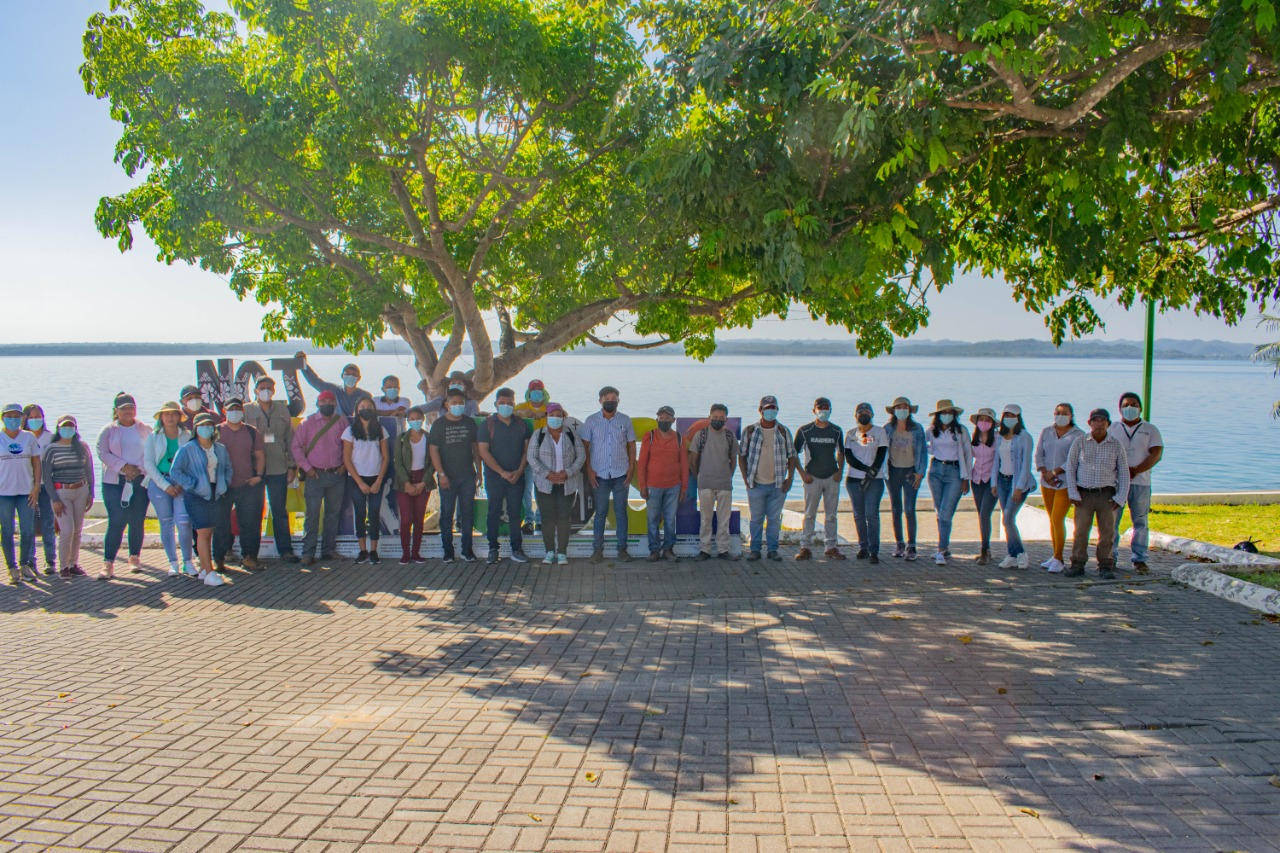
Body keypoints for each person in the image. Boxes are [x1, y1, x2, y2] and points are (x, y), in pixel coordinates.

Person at [1064, 408, 1130, 579]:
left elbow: (1124, 473)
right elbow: (1070, 469)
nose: (1099, 424)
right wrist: (1073, 492)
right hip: (1084, 495)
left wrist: (1120, 497)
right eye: (1096, 420)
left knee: (1107, 533)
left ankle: (1105, 565)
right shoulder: (1080, 442)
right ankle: (1077, 564)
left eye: (1103, 421)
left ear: (1108, 424)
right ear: (1089, 423)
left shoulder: (1116, 444)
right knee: (1080, 532)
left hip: (1107, 495)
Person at [169, 412, 232, 586]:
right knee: (203, 532)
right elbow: (176, 471)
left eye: (209, 425)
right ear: (196, 428)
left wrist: (224, 484)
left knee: (209, 531)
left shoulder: (219, 448)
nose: (207, 429)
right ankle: (210, 572)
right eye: (202, 426)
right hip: (196, 495)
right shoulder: (188, 449)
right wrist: (192, 484)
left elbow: (227, 468)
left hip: (215, 492)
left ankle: (204, 569)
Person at [96, 392, 152, 579]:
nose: (128, 411)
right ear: (116, 411)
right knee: (117, 521)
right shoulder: (108, 431)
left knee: (137, 520)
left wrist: (138, 468)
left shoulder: (145, 429)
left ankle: (134, 557)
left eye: (131, 407)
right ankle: (108, 563)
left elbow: (152, 452)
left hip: (139, 479)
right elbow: (102, 453)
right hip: (114, 482)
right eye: (123, 408)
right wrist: (123, 467)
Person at [244, 376, 299, 563]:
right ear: (256, 390)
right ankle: (251, 553)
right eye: (261, 388)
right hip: (254, 469)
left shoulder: (283, 409)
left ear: (274, 390)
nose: (265, 390)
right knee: (254, 511)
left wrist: (292, 466)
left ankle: (286, 550)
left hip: (278, 467)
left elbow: (291, 439)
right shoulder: (246, 410)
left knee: (279, 511)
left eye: (269, 387)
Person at [581, 386, 637, 563]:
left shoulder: (625, 420)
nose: (610, 401)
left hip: (621, 473)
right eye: (607, 399)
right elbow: (585, 447)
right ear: (600, 401)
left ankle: (622, 550)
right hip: (599, 475)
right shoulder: (591, 421)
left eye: (614, 398)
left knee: (621, 512)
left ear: (618, 401)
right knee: (600, 514)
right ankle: (597, 551)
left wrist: (631, 469)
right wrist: (589, 470)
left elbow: (632, 445)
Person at [291, 390, 348, 565]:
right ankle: (308, 553)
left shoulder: (342, 422)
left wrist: (345, 466)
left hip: (337, 475)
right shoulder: (307, 423)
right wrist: (308, 469)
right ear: (317, 404)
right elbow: (296, 447)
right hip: (315, 475)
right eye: (323, 402)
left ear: (335, 404)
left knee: (333, 514)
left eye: (330, 401)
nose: (327, 404)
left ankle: (328, 550)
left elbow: (349, 446)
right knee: (312, 515)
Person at [1110, 392, 1164, 572]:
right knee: (1112, 521)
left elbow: (1156, 453)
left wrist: (1137, 469)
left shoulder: (1150, 429)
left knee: (1140, 521)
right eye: (1126, 405)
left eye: (1134, 405)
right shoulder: (1113, 428)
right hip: (1116, 482)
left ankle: (1139, 559)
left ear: (1140, 408)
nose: (1130, 408)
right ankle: (1110, 557)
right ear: (1120, 408)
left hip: (1141, 482)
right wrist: (1121, 471)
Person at [738, 395, 796, 561]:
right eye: (767, 408)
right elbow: (741, 456)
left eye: (773, 408)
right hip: (755, 484)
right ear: (760, 410)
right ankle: (755, 549)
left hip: (778, 484)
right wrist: (745, 478)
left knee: (774, 520)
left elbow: (792, 456)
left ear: (777, 409)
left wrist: (790, 478)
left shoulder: (784, 431)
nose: (770, 411)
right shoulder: (750, 431)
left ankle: (772, 550)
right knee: (756, 519)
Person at [212, 397, 266, 573]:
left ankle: (249, 557)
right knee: (221, 523)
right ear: (224, 411)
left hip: (247, 484)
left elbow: (259, 455)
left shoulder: (252, 432)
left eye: (238, 408)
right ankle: (219, 559)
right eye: (231, 409)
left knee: (250, 523)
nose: (235, 412)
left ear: (243, 411)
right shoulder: (216, 431)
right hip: (222, 486)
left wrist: (258, 476)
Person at [479, 388, 532, 564]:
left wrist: (519, 471)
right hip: (495, 478)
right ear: (495, 404)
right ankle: (493, 549)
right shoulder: (487, 424)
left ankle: (516, 549)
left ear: (514, 404)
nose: (506, 406)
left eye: (509, 403)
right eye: (502, 403)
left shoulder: (521, 424)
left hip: (517, 477)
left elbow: (527, 450)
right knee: (493, 512)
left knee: (515, 513)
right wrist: (502, 472)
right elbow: (483, 452)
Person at [527, 403, 584, 565]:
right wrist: (548, 475)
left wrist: (568, 473)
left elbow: (581, 457)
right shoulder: (538, 435)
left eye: (559, 415)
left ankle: (562, 553)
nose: (555, 418)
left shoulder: (571, 435)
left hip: (567, 484)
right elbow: (532, 458)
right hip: (545, 484)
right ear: (546, 417)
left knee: (564, 518)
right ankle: (549, 551)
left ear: (563, 418)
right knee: (547, 518)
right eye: (552, 415)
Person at [143, 400, 195, 577]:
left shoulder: (187, 436)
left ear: (179, 417)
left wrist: (181, 483)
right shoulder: (153, 436)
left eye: (174, 413)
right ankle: (173, 562)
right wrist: (165, 486)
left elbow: (192, 462)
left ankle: (188, 561)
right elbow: (149, 464)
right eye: (166, 414)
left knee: (184, 521)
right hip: (160, 482)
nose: (170, 417)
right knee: (166, 522)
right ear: (161, 417)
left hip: (182, 483)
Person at [429, 388, 481, 562]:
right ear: (446, 405)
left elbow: (476, 449)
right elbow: (434, 451)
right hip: (447, 477)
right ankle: (448, 551)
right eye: (454, 403)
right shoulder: (438, 425)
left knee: (467, 512)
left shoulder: (470, 423)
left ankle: (467, 550)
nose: (458, 406)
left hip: (467, 476)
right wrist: (441, 474)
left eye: (461, 403)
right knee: (446, 513)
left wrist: (479, 471)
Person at [42, 415, 95, 579]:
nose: (68, 429)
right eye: (64, 426)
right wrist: (55, 499)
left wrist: (91, 492)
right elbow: (47, 476)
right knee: (67, 530)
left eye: (71, 426)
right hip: (61, 492)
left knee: (78, 530)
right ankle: (63, 566)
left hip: (81, 490)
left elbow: (89, 470)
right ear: (58, 429)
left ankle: (73, 564)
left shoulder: (82, 447)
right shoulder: (51, 449)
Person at [1035, 403, 1085, 573]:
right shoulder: (1047, 431)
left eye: (1064, 413)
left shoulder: (1078, 435)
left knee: (1058, 519)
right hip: (1047, 482)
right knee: (1052, 519)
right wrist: (1044, 471)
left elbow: (1074, 458)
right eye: (1057, 412)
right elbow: (1039, 453)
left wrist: (1056, 471)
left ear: (1071, 415)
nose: (1060, 416)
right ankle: (1056, 555)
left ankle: (1058, 558)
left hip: (1064, 482)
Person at [793, 397, 845, 561]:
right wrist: (802, 473)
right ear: (814, 410)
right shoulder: (805, 430)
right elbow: (794, 454)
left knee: (831, 515)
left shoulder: (836, 430)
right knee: (809, 514)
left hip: (831, 477)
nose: (823, 411)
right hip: (812, 477)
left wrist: (840, 472)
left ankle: (831, 547)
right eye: (820, 408)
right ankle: (805, 547)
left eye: (826, 408)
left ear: (831, 410)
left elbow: (841, 452)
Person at [926, 399, 973, 567]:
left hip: (954, 472)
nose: (947, 416)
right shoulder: (932, 430)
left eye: (950, 413)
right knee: (939, 510)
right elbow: (919, 443)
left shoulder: (961, 431)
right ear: (938, 415)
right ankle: (944, 547)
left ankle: (941, 549)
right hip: (936, 470)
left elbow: (968, 454)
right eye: (944, 413)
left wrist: (966, 479)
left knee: (946, 512)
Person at [637, 405, 688, 562]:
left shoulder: (680, 438)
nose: (664, 420)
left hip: (673, 487)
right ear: (657, 419)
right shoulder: (649, 436)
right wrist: (642, 486)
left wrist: (683, 488)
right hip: (653, 486)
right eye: (661, 418)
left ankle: (668, 549)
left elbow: (684, 464)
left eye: (667, 418)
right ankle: (654, 550)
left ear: (673, 420)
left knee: (670, 520)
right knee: (652, 519)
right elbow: (642, 463)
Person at [343, 397, 390, 564]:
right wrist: (360, 482)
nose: (366, 409)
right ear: (357, 410)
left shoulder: (381, 430)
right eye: (362, 406)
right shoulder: (349, 431)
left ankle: (373, 550)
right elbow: (346, 459)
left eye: (369, 406)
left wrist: (378, 481)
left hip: (376, 477)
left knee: (374, 514)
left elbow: (385, 457)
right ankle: (362, 550)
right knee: (360, 513)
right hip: (356, 479)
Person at [688, 404, 738, 560]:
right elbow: (692, 459)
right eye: (715, 417)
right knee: (705, 519)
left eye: (721, 418)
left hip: (724, 485)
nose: (718, 420)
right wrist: (699, 476)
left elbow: (734, 460)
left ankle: (723, 550)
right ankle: (705, 550)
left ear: (726, 419)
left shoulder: (730, 436)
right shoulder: (700, 435)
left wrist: (728, 476)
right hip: (705, 484)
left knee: (724, 520)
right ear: (709, 417)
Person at [992, 404, 1037, 570]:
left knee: (1008, 518)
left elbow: (1026, 463)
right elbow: (996, 461)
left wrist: (1018, 487)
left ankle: (1020, 553)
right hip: (1002, 481)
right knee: (1007, 519)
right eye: (1006, 415)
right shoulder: (1000, 436)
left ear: (1018, 418)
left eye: (1012, 415)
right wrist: (994, 483)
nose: (1009, 418)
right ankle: (1011, 554)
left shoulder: (1024, 436)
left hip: (1018, 483)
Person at [1, 402, 41, 584]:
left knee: (27, 530)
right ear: (3, 418)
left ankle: (24, 564)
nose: (13, 420)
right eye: (9, 417)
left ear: (22, 418)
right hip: (4, 493)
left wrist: (36, 487)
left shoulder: (29, 438)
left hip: (26, 492)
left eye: (16, 416)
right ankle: (12, 568)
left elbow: (36, 463)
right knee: (7, 530)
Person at [884, 397, 928, 561]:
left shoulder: (917, 429)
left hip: (911, 472)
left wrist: (920, 473)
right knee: (896, 509)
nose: (902, 410)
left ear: (910, 410)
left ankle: (912, 545)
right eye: (899, 407)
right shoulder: (888, 428)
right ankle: (899, 543)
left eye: (905, 407)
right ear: (894, 410)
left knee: (909, 509)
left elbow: (923, 452)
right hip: (893, 472)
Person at [843, 402, 887, 563]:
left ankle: (874, 550)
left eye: (867, 411)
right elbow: (849, 457)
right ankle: (863, 547)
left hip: (874, 480)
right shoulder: (850, 434)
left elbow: (881, 453)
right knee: (859, 515)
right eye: (861, 412)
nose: (864, 414)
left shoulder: (880, 432)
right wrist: (865, 470)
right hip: (854, 480)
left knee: (872, 515)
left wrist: (872, 472)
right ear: (856, 416)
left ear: (872, 415)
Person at [393, 406, 435, 565]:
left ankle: (416, 553)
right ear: (407, 420)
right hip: (404, 481)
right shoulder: (401, 438)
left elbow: (433, 462)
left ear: (423, 420)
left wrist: (424, 481)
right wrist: (407, 483)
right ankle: (405, 553)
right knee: (406, 519)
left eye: (418, 418)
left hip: (423, 479)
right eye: (412, 419)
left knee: (419, 518)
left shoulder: (429, 438)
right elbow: (398, 462)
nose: (415, 421)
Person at [22, 405, 57, 575]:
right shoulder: (23, 438)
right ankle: (30, 561)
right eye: (32, 417)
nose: (36, 420)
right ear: (26, 419)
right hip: (27, 487)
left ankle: (50, 560)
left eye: (39, 416)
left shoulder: (50, 438)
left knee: (48, 523)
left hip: (46, 486)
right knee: (29, 524)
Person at [513, 379, 550, 534]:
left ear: (544, 392)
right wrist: (525, 413)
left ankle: (540, 520)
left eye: (539, 389)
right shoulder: (522, 407)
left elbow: (563, 414)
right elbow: (512, 414)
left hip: (544, 456)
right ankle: (528, 520)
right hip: (525, 454)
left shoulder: (550, 407)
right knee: (525, 489)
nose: (536, 392)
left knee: (542, 489)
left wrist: (543, 414)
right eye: (533, 390)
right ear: (528, 392)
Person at [295, 351, 373, 417]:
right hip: (335, 428)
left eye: (353, 374)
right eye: (347, 374)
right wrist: (303, 363)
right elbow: (314, 381)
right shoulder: (333, 389)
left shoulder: (365, 395)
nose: (350, 376)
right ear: (342, 376)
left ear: (359, 378)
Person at [968, 408, 999, 565]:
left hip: (991, 481)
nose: (984, 423)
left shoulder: (998, 438)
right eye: (981, 419)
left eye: (987, 420)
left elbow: (998, 461)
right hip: (976, 480)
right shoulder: (975, 438)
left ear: (993, 423)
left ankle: (985, 549)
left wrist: (995, 483)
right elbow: (969, 457)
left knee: (985, 514)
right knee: (981, 515)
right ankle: (985, 548)